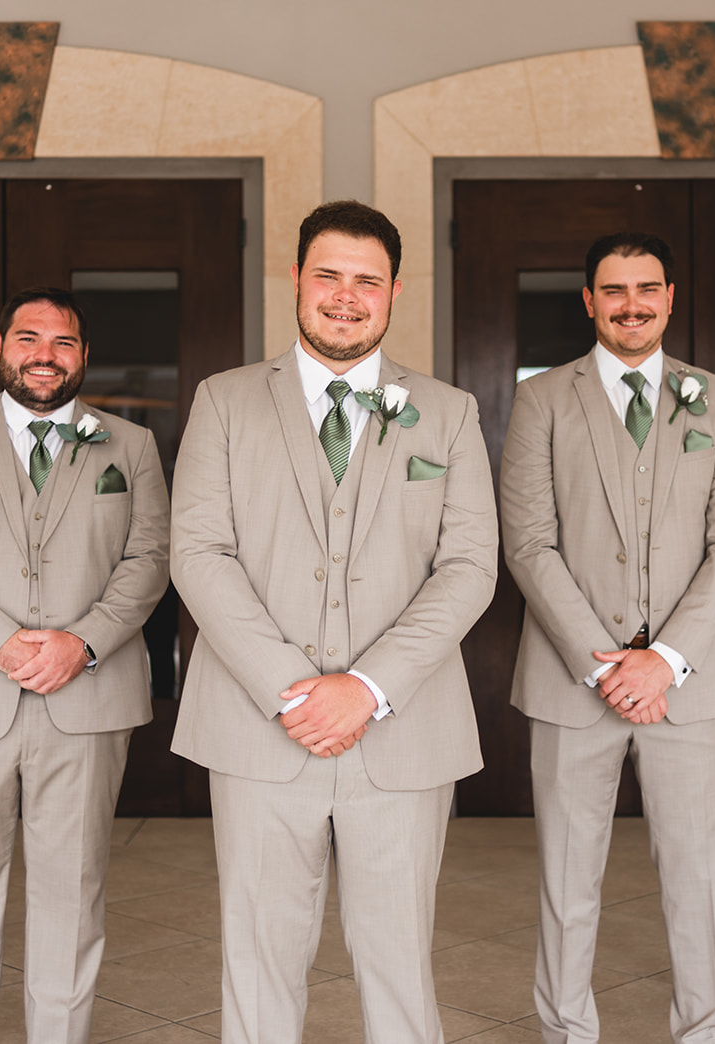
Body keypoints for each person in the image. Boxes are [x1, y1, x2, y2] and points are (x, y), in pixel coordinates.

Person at [170, 200, 498, 1044]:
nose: (345, 298)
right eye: (328, 276)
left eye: (367, 281)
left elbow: (469, 568)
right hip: (256, 727)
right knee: (259, 955)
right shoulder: (225, 400)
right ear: (295, 280)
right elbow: (199, 554)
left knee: (396, 961)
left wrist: (367, 686)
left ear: (394, 293)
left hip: (403, 729)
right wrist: (295, 691)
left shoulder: (449, 412)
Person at [0, 287, 170, 1044]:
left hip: (87, 699)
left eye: (64, 342)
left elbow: (149, 560)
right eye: (29, 338)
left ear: (83, 355)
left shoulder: (131, 446)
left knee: (72, 892)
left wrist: (82, 642)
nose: (45, 354)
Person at [501, 231, 715, 1044]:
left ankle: (707, 1031)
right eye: (615, 290)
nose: (632, 304)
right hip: (573, 682)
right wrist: (604, 663)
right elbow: (529, 544)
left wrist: (666, 660)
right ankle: (567, 1032)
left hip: (690, 686)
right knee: (568, 882)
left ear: (670, 298)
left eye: (648, 289)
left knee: (698, 880)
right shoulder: (542, 398)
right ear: (589, 300)